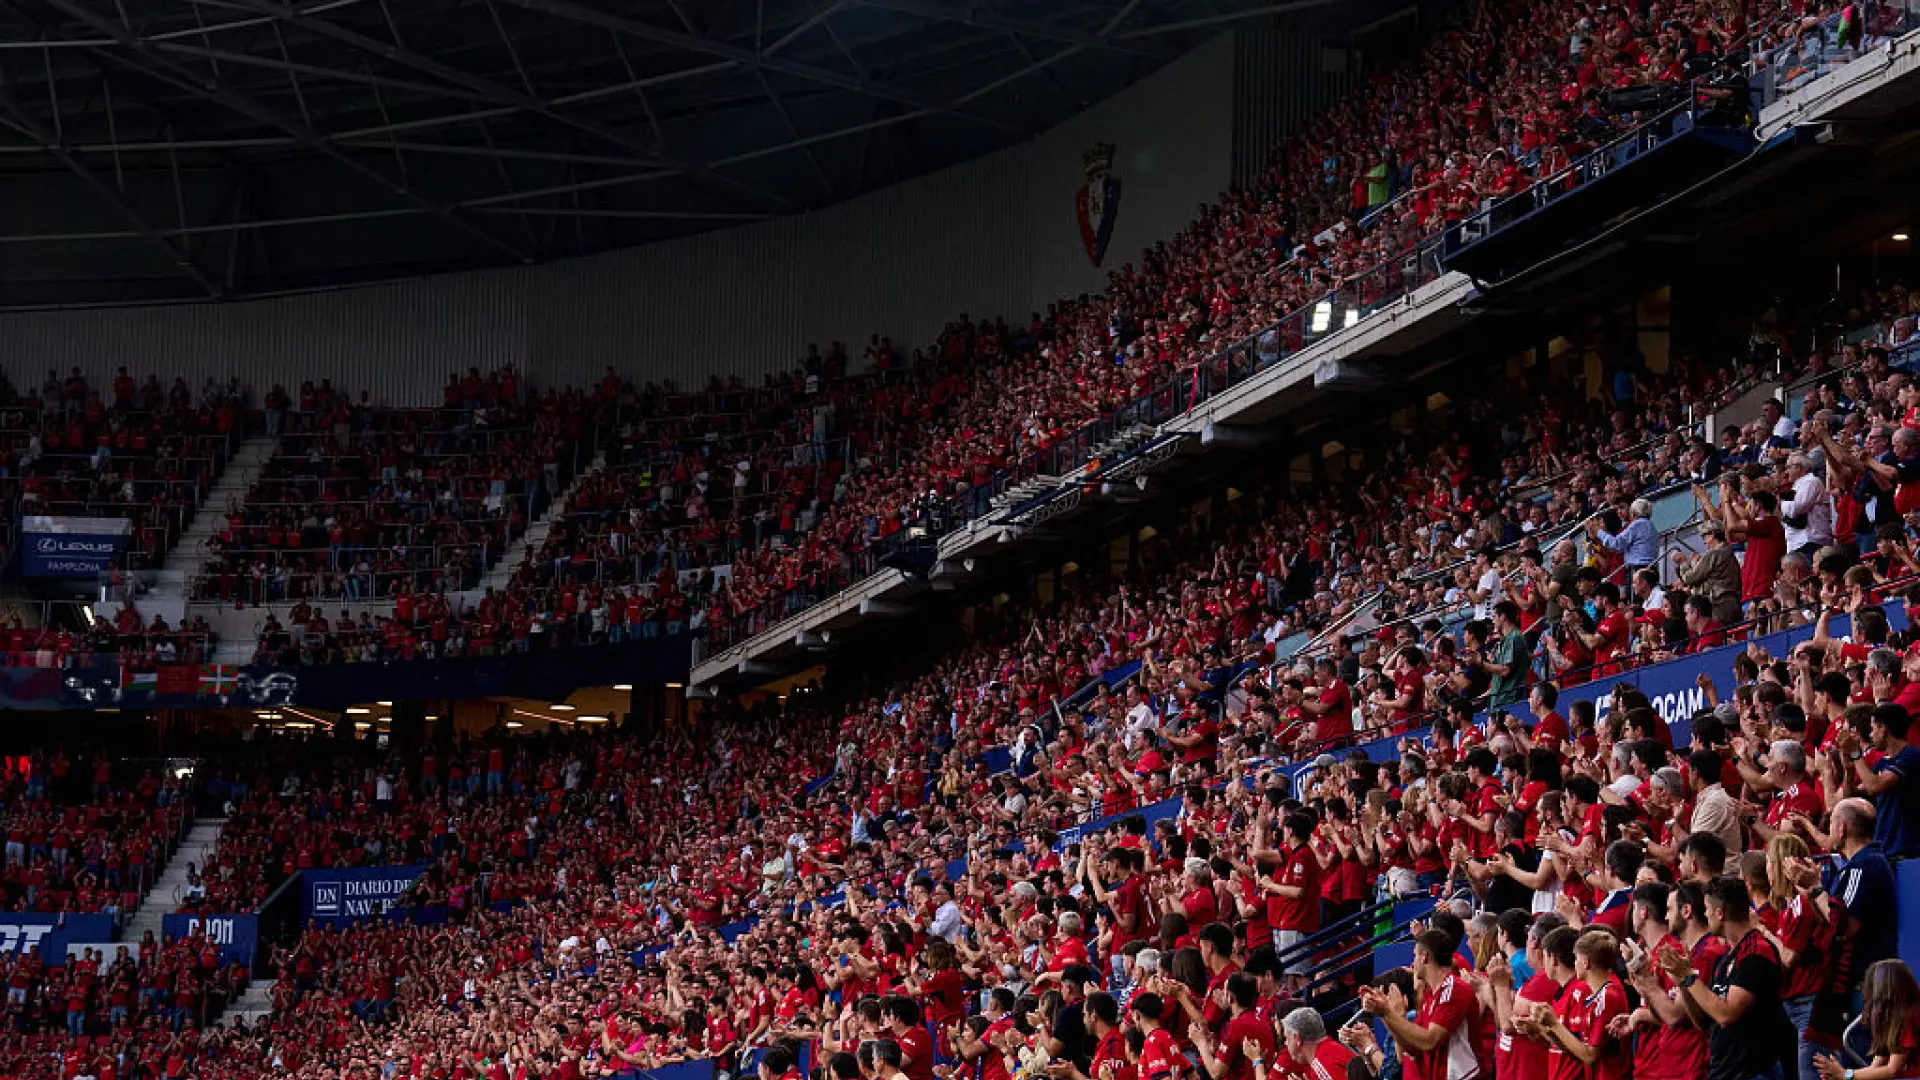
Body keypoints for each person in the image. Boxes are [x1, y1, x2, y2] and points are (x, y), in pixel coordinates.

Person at [1659, 876, 1793, 1080]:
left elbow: (1727, 1014)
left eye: (1706, 909)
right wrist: (1684, 980)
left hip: (1752, 1072)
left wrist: (1688, 976)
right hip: (1724, 1070)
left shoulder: (1757, 952)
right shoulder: (1728, 957)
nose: (1705, 914)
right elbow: (1705, 1021)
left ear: (1720, 913)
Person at [1358, 930, 1484, 1080]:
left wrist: (1387, 1013)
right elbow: (1411, 1049)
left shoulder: (1455, 989)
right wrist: (1384, 1014)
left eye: (1415, 955)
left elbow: (1430, 1041)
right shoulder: (1431, 995)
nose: (1413, 963)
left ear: (1424, 957)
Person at [1812, 959, 1920, 1080]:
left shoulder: (1907, 1017)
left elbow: (1892, 1070)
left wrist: (1845, 1075)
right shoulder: (1893, 1017)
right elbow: (1876, 1066)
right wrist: (1840, 1076)